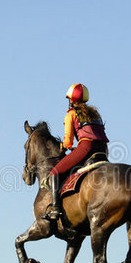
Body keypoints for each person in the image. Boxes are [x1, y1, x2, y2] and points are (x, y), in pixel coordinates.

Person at [42, 83, 109, 221]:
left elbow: (68, 142)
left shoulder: (71, 114)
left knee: (54, 172)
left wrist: (63, 147)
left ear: (72, 100)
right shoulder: (95, 113)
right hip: (103, 150)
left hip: (86, 148)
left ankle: (55, 208)